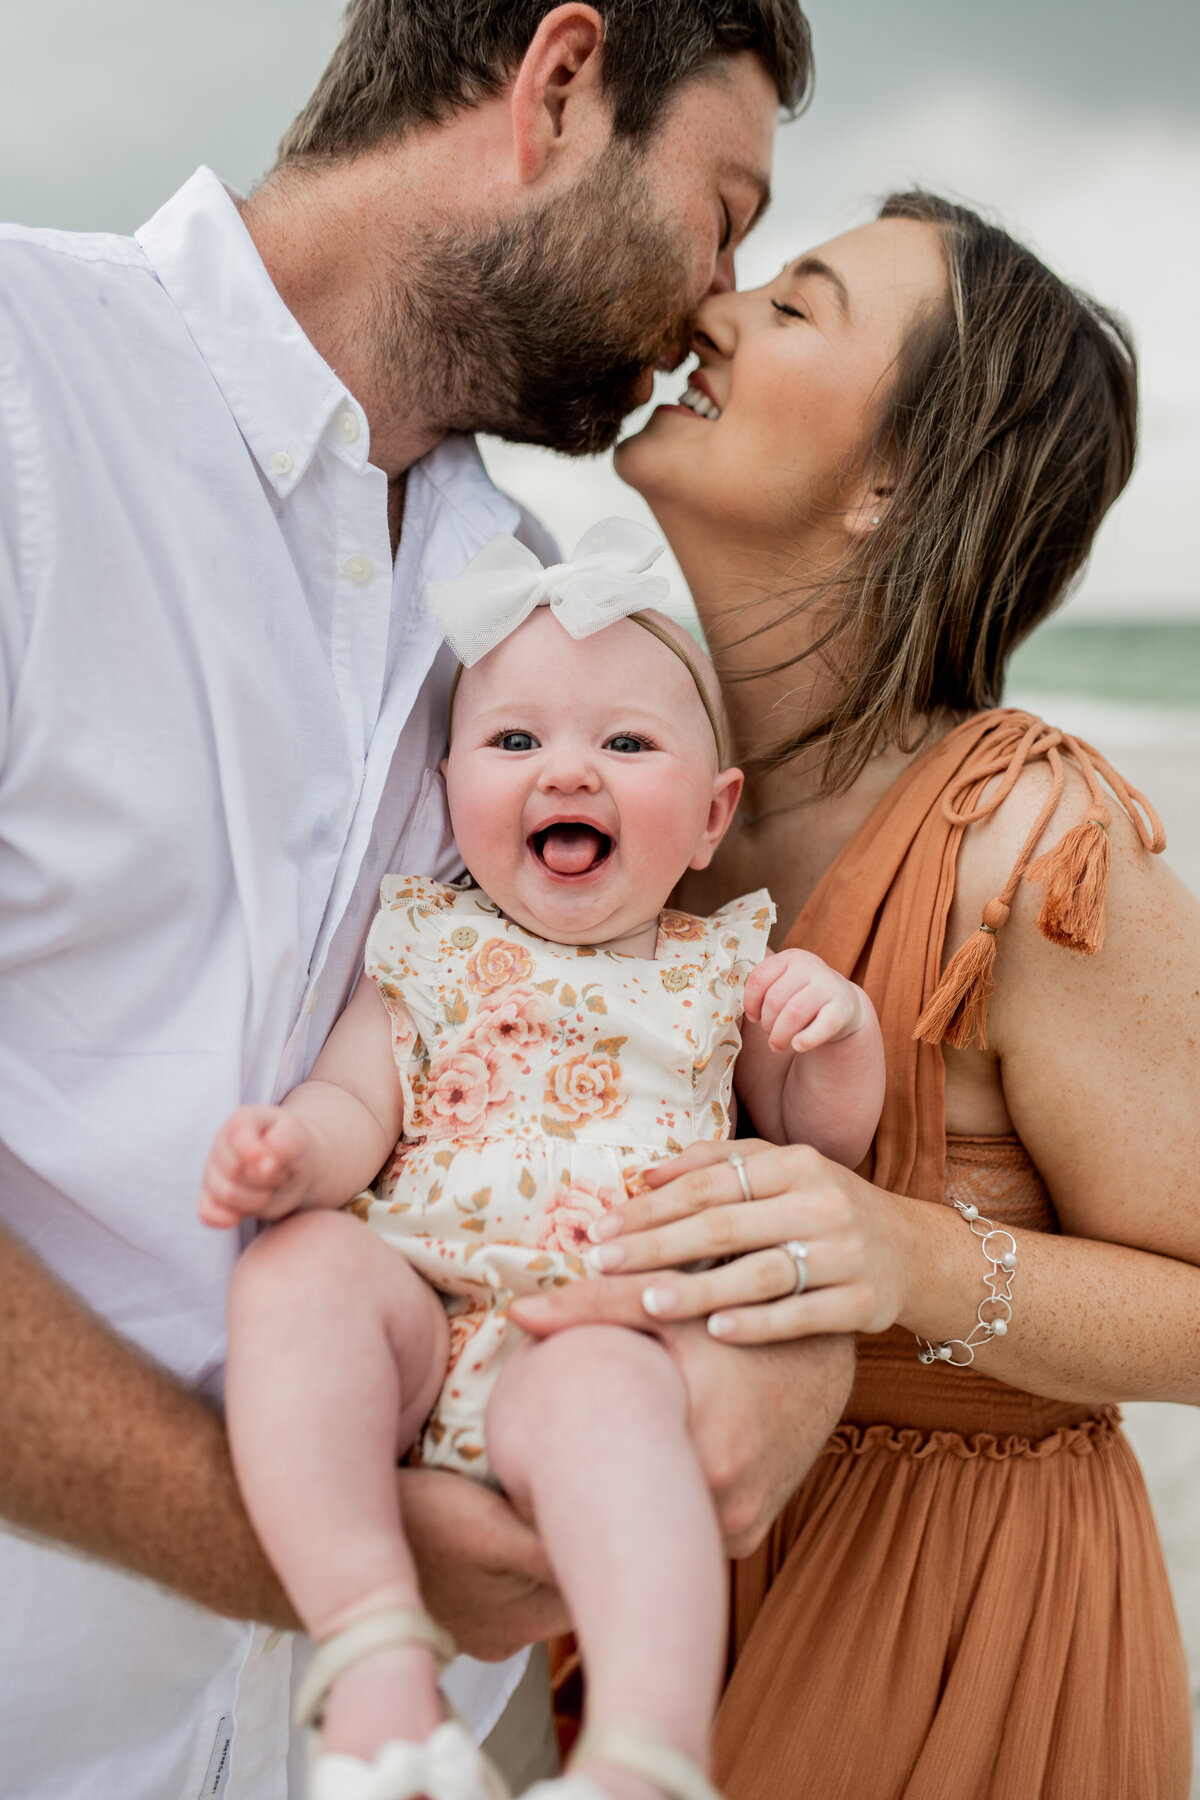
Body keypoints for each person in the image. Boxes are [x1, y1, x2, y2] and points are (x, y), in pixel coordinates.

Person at [0, 6, 844, 1797]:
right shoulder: (20, 390)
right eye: (723, 208)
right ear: (556, 89)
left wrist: (797, 1364)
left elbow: (667, 1065)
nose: (719, 302)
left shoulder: (541, 622)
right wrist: (276, 1543)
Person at [514, 192, 1199, 1797]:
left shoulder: (1032, 845)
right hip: (641, 1584)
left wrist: (907, 1255)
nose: (722, 310)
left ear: (893, 480)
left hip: (955, 1630)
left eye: (803, 304)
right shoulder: (601, 797)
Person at [198, 540, 886, 1800]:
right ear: (450, 784)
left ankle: (642, 1750)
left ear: (715, 814)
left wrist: (838, 1033)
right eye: (514, 743)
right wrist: (296, 1155)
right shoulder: (426, 945)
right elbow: (361, 1096)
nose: (568, 767)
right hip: (413, 1308)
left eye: (626, 746)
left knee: (617, 1420)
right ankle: (374, 1661)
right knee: (298, 1275)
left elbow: (818, 1143)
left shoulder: (717, 967)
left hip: (584, 1331)